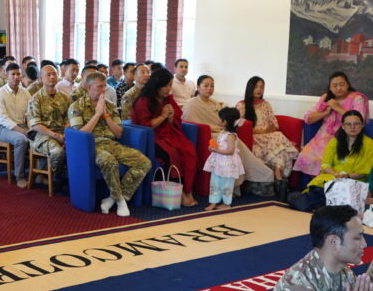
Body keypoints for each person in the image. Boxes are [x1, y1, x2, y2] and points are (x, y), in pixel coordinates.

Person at [68, 72, 151, 216]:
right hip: (93, 147)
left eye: (104, 86)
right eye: (99, 87)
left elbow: (119, 133)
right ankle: (120, 201)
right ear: (89, 87)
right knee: (108, 160)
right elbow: (80, 136)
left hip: (112, 144)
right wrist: (97, 114)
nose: (103, 90)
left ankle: (113, 198)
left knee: (144, 162)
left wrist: (105, 115)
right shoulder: (76, 106)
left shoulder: (110, 105)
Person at [182, 75, 274, 194]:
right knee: (229, 140)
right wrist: (213, 129)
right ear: (198, 87)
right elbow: (188, 122)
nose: (209, 88)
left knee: (232, 139)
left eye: (212, 86)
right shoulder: (192, 103)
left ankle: (250, 178)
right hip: (205, 135)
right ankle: (259, 176)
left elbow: (225, 121)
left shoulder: (215, 103)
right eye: (206, 86)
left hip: (220, 132)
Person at [132, 68, 198, 207]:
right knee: (171, 154)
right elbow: (145, 126)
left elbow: (176, 120)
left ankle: (188, 189)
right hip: (151, 137)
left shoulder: (168, 99)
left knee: (189, 150)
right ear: (157, 85)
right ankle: (178, 193)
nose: (169, 88)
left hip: (169, 133)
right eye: (166, 85)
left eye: (170, 85)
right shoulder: (143, 101)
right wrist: (162, 116)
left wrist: (171, 117)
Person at [289, 111, 373, 212]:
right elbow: (326, 164)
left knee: (301, 200)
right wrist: (336, 175)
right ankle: (321, 203)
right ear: (343, 126)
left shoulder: (370, 144)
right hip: (332, 180)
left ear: (362, 125)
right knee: (301, 197)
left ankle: (320, 204)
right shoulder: (335, 141)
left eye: (356, 124)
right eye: (348, 124)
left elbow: (367, 170)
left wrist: (347, 176)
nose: (353, 127)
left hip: (353, 184)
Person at [295, 72, 368, 177]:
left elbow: (358, 120)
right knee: (306, 156)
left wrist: (336, 107)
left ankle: (326, 187)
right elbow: (308, 119)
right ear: (330, 88)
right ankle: (318, 186)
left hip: (345, 135)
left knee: (331, 161)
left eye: (342, 84)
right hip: (323, 136)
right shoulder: (325, 98)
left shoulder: (357, 98)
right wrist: (325, 112)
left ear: (347, 84)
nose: (338, 88)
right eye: (334, 85)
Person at [236, 76, 299, 197]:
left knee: (278, 137)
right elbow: (240, 127)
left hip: (269, 136)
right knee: (280, 141)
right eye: (256, 87)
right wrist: (258, 131)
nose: (259, 90)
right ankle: (279, 180)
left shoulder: (266, 104)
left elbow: (274, 124)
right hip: (253, 138)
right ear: (250, 88)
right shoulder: (241, 105)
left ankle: (277, 173)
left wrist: (268, 129)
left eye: (261, 87)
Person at [28, 63, 71, 183]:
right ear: (41, 79)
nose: (52, 77)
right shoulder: (35, 99)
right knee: (58, 152)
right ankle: (55, 176)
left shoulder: (65, 97)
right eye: (48, 75)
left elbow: (68, 119)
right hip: (43, 135)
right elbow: (36, 125)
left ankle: (61, 175)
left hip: (63, 134)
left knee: (76, 148)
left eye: (54, 74)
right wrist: (56, 136)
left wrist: (65, 135)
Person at [0, 63, 31, 188]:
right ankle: (19, 176)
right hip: (3, 129)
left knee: (42, 136)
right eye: (12, 74)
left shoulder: (26, 93)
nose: (16, 77)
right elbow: (3, 119)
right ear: (6, 76)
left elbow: (30, 114)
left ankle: (40, 174)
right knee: (21, 140)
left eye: (18, 74)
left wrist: (32, 129)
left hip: (22, 126)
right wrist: (22, 131)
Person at [203, 107, 244, 211]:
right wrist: (214, 147)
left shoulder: (230, 135)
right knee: (215, 182)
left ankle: (226, 203)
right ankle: (213, 201)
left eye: (219, 118)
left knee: (227, 184)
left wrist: (216, 150)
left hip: (227, 164)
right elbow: (222, 145)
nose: (217, 120)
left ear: (225, 122)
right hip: (219, 162)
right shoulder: (223, 132)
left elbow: (230, 151)